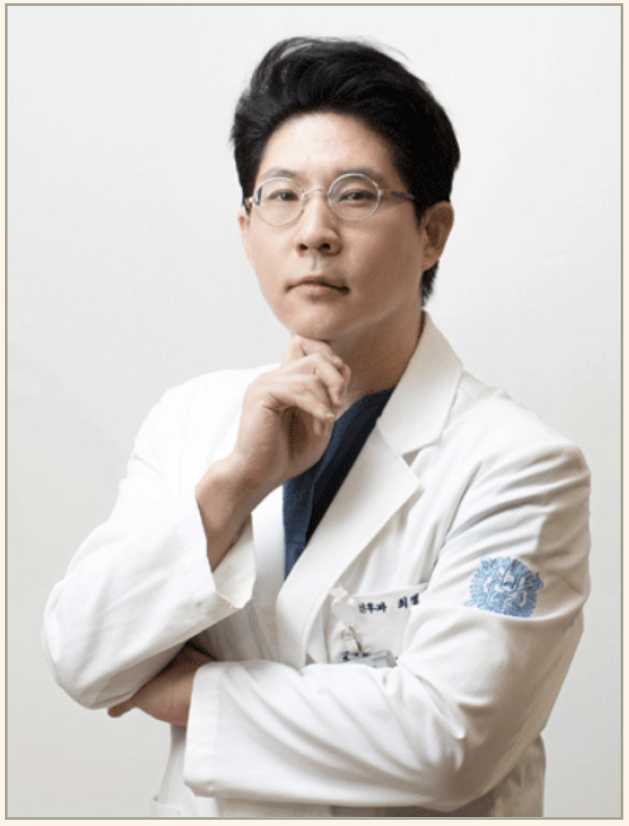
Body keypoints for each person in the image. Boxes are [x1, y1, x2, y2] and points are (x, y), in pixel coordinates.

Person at [43, 37, 590, 818]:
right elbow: (81, 654)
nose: (313, 232)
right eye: (282, 196)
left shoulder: (518, 464)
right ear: (247, 230)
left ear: (432, 233)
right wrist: (235, 484)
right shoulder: (191, 421)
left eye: (356, 195)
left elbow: (446, 743)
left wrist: (191, 692)